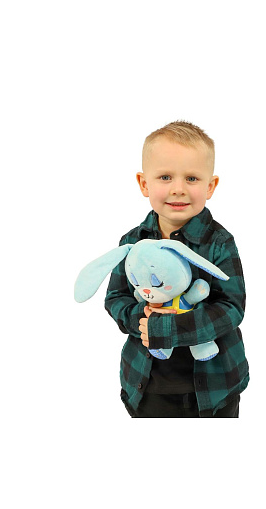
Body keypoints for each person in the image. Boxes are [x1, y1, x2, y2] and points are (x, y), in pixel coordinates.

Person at [105, 121, 249, 417]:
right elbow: (116, 298)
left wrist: (171, 329)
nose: (179, 189)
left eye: (192, 178)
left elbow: (231, 308)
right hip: (148, 384)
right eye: (165, 177)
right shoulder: (132, 243)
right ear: (144, 184)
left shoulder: (219, 243)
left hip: (214, 387)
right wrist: (143, 319)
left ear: (210, 186)